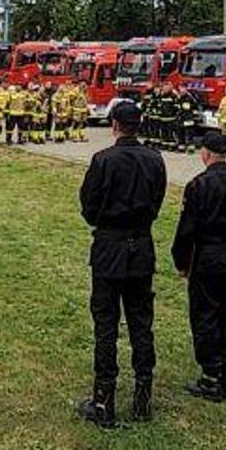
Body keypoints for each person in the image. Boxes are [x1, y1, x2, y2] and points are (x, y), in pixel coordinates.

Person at [75, 101, 167, 428]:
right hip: (140, 246)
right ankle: (143, 396)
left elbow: (89, 206)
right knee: (141, 322)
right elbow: (157, 200)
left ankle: (104, 401)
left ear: (114, 125)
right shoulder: (155, 159)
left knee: (106, 323)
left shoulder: (103, 160)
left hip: (110, 246)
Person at [171, 131, 226, 402]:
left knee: (205, 314)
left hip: (207, 259)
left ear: (206, 153)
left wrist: (182, 262)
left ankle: (211, 375)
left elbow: (187, 230)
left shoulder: (199, 185)